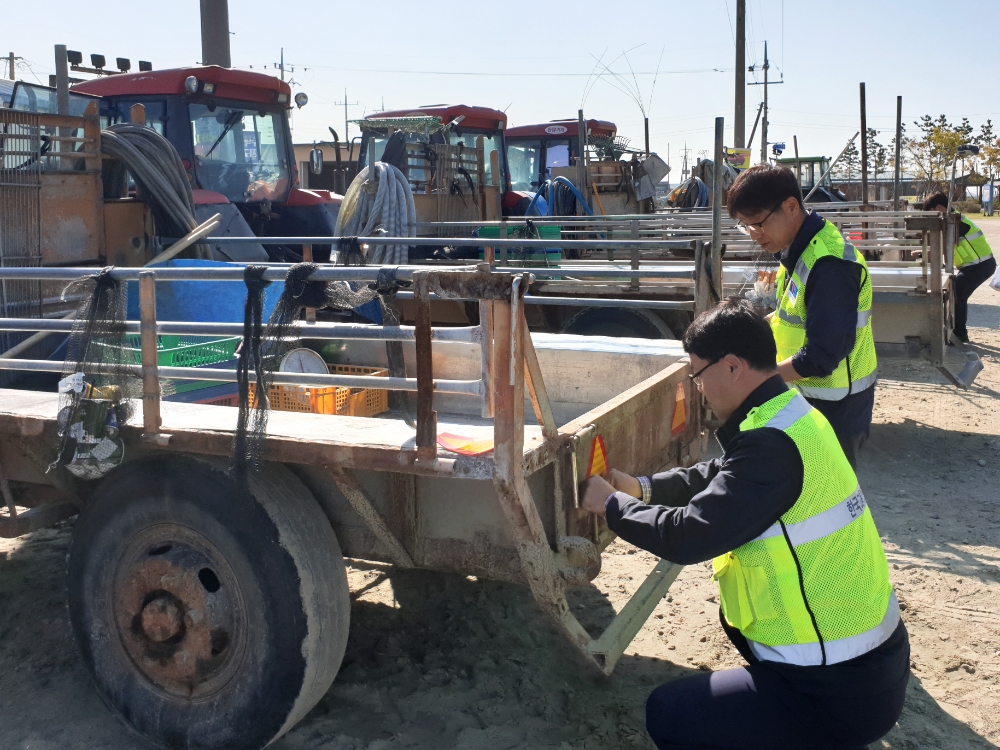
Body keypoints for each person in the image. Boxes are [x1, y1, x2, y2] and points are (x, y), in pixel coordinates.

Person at [580, 299, 909, 750]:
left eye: (697, 375)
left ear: (732, 367)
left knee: (669, 714)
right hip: (865, 666)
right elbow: (719, 476)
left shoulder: (771, 445)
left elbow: (689, 534)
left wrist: (613, 505)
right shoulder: (791, 415)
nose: (697, 388)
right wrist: (641, 487)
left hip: (837, 692)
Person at [728, 164, 876, 469]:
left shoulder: (829, 266)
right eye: (745, 226)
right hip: (810, 398)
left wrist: (757, 380)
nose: (754, 235)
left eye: (757, 223)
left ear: (791, 206)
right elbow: (794, 315)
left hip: (835, 408)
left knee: (825, 499)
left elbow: (822, 355)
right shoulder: (798, 249)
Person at [921, 192, 996, 343]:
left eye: (932, 212)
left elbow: (943, 246)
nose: (933, 217)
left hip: (980, 265)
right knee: (957, 293)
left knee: (957, 294)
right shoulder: (952, 220)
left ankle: (959, 334)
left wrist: (924, 253)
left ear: (940, 207)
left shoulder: (955, 222)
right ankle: (957, 332)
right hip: (973, 265)